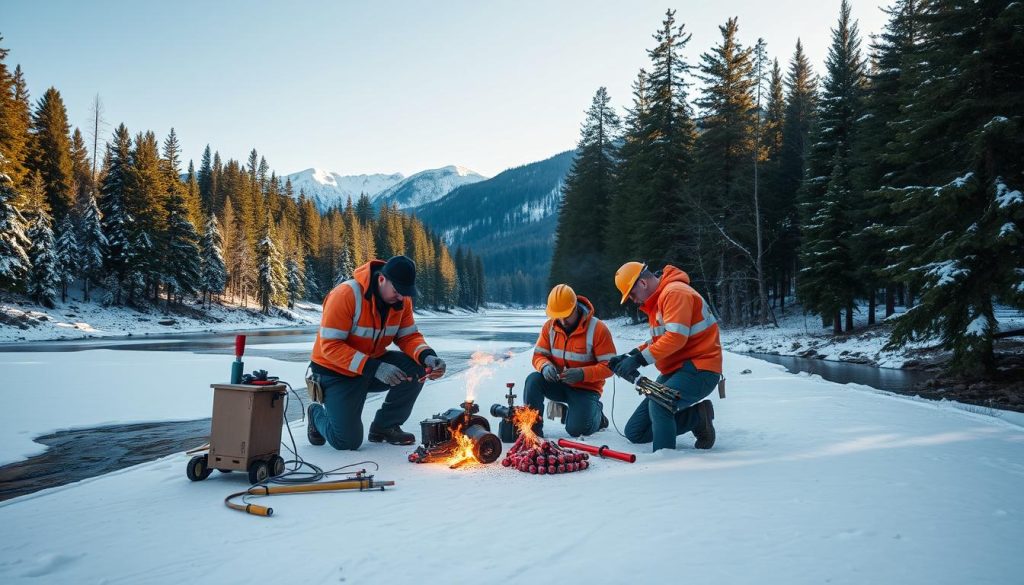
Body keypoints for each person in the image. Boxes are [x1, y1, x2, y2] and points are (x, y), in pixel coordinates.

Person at [306, 255, 446, 449]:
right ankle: (315, 414)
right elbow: (330, 346)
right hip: (336, 372)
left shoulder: (402, 300)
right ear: (381, 280)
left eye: (405, 293)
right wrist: (375, 367)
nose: (401, 297)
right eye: (397, 291)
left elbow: (408, 337)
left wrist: (427, 356)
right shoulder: (346, 295)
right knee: (347, 441)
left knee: (416, 368)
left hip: (372, 366)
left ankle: (384, 427)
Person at [608, 262, 722, 452]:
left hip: (701, 368)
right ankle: (697, 417)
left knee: (660, 402)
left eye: (632, 294)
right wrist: (630, 355)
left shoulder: (675, 293)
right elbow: (658, 340)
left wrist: (638, 360)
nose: (633, 300)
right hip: (676, 370)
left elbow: (676, 337)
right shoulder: (660, 300)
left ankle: (664, 461)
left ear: (643, 283)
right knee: (635, 431)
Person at [526, 284, 616, 437]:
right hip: (558, 383)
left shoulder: (598, 329)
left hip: (586, 389)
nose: (562, 320)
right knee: (533, 380)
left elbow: (610, 366)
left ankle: (598, 416)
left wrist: (582, 373)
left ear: (575, 307)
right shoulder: (549, 327)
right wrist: (545, 366)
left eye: (566, 315)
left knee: (577, 430)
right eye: (557, 315)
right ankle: (533, 430)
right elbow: (538, 356)